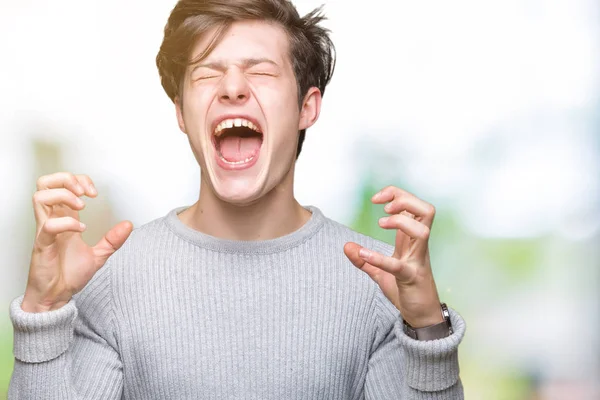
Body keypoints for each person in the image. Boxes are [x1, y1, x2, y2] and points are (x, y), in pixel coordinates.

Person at [8, 0, 466, 398]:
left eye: (260, 71)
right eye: (208, 73)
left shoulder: (383, 283)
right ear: (182, 113)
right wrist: (43, 312)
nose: (232, 87)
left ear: (307, 107)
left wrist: (426, 326)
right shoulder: (113, 281)